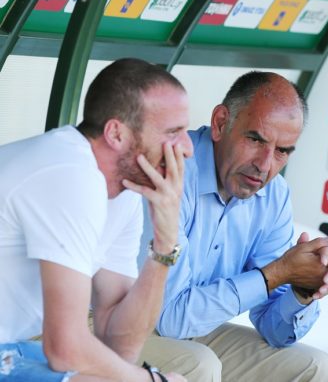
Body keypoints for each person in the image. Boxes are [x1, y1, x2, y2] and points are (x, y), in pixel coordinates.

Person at [140, 71, 328, 381]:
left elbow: (275, 330)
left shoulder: (274, 195)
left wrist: (302, 289)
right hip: (107, 326)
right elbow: (170, 318)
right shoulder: (169, 170)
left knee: (318, 369)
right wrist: (276, 274)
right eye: (255, 140)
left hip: (189, 331)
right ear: (220, 123)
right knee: (199, 363)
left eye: (281, 151)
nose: (265, 165)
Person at [0, 58, 193, 382]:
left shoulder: (123, 192)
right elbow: (65, 349)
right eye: (173, 132)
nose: (187, 149)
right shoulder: (70, 173)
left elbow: (120, 345)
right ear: (116, 133)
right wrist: (153, 380)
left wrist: (165, 243)